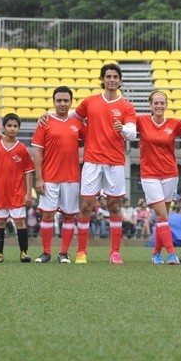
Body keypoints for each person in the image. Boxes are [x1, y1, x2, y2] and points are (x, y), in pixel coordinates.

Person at [73, 63, 138, 264]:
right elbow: (73, 118)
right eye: (108, 76)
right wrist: (49, 117)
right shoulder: (90, 102)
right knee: (86, 206)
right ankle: (81, 252)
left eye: (115, 77)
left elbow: (132, 132)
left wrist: (123, 129)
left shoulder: (126, 106)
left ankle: (115, 252)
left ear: (120, 81)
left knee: (114, 206)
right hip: (92, 160)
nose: (111, 80)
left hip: (115, 162)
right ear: (102, 79)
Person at [31, 86, 86, 263]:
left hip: (71, 178)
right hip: (49, 178)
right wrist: (39, 178)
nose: (62, 104)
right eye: (59, 100)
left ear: (71, 102)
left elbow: (92, 139)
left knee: (69, 215)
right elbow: (38, 152)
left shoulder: (77, 124)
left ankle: (64, 253)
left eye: (66, 101)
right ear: (54, 102)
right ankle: (46, 252)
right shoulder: (45, 122)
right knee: (47, 215)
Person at [137, 90, 181, 265]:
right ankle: (172, 254)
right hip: (149, 175)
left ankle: (156, 254)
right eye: (155, 103)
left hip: (170, 174)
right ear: (150, 105)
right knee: (161, 215)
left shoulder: (174, 123)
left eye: (162, 103)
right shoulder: (141, 121)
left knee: (163, 218)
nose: (159, 106)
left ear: (166, 105)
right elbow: (123, 125)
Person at [0, 113, 35, 262]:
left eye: (15, 126)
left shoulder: (22, 149)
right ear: (4, 127)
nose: (12, 128)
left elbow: (28, 172)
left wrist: (28, 193)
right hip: (0, 192)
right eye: (9, 125)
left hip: (17, 192)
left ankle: (23, 252)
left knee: (19, 222)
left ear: (19, 128)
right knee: (0, 222)